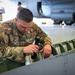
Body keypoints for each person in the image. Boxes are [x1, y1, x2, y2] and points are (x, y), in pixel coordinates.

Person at [0, 8, 52, 72]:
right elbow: (1, 50)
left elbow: (43, 36)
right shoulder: (3, 29)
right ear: (16, 20)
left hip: (26, 65)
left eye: (29, 27)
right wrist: (23, 50)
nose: (27, 30)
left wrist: (47, 44)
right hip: (7, 67)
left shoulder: (33, 26)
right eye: (23, 27)